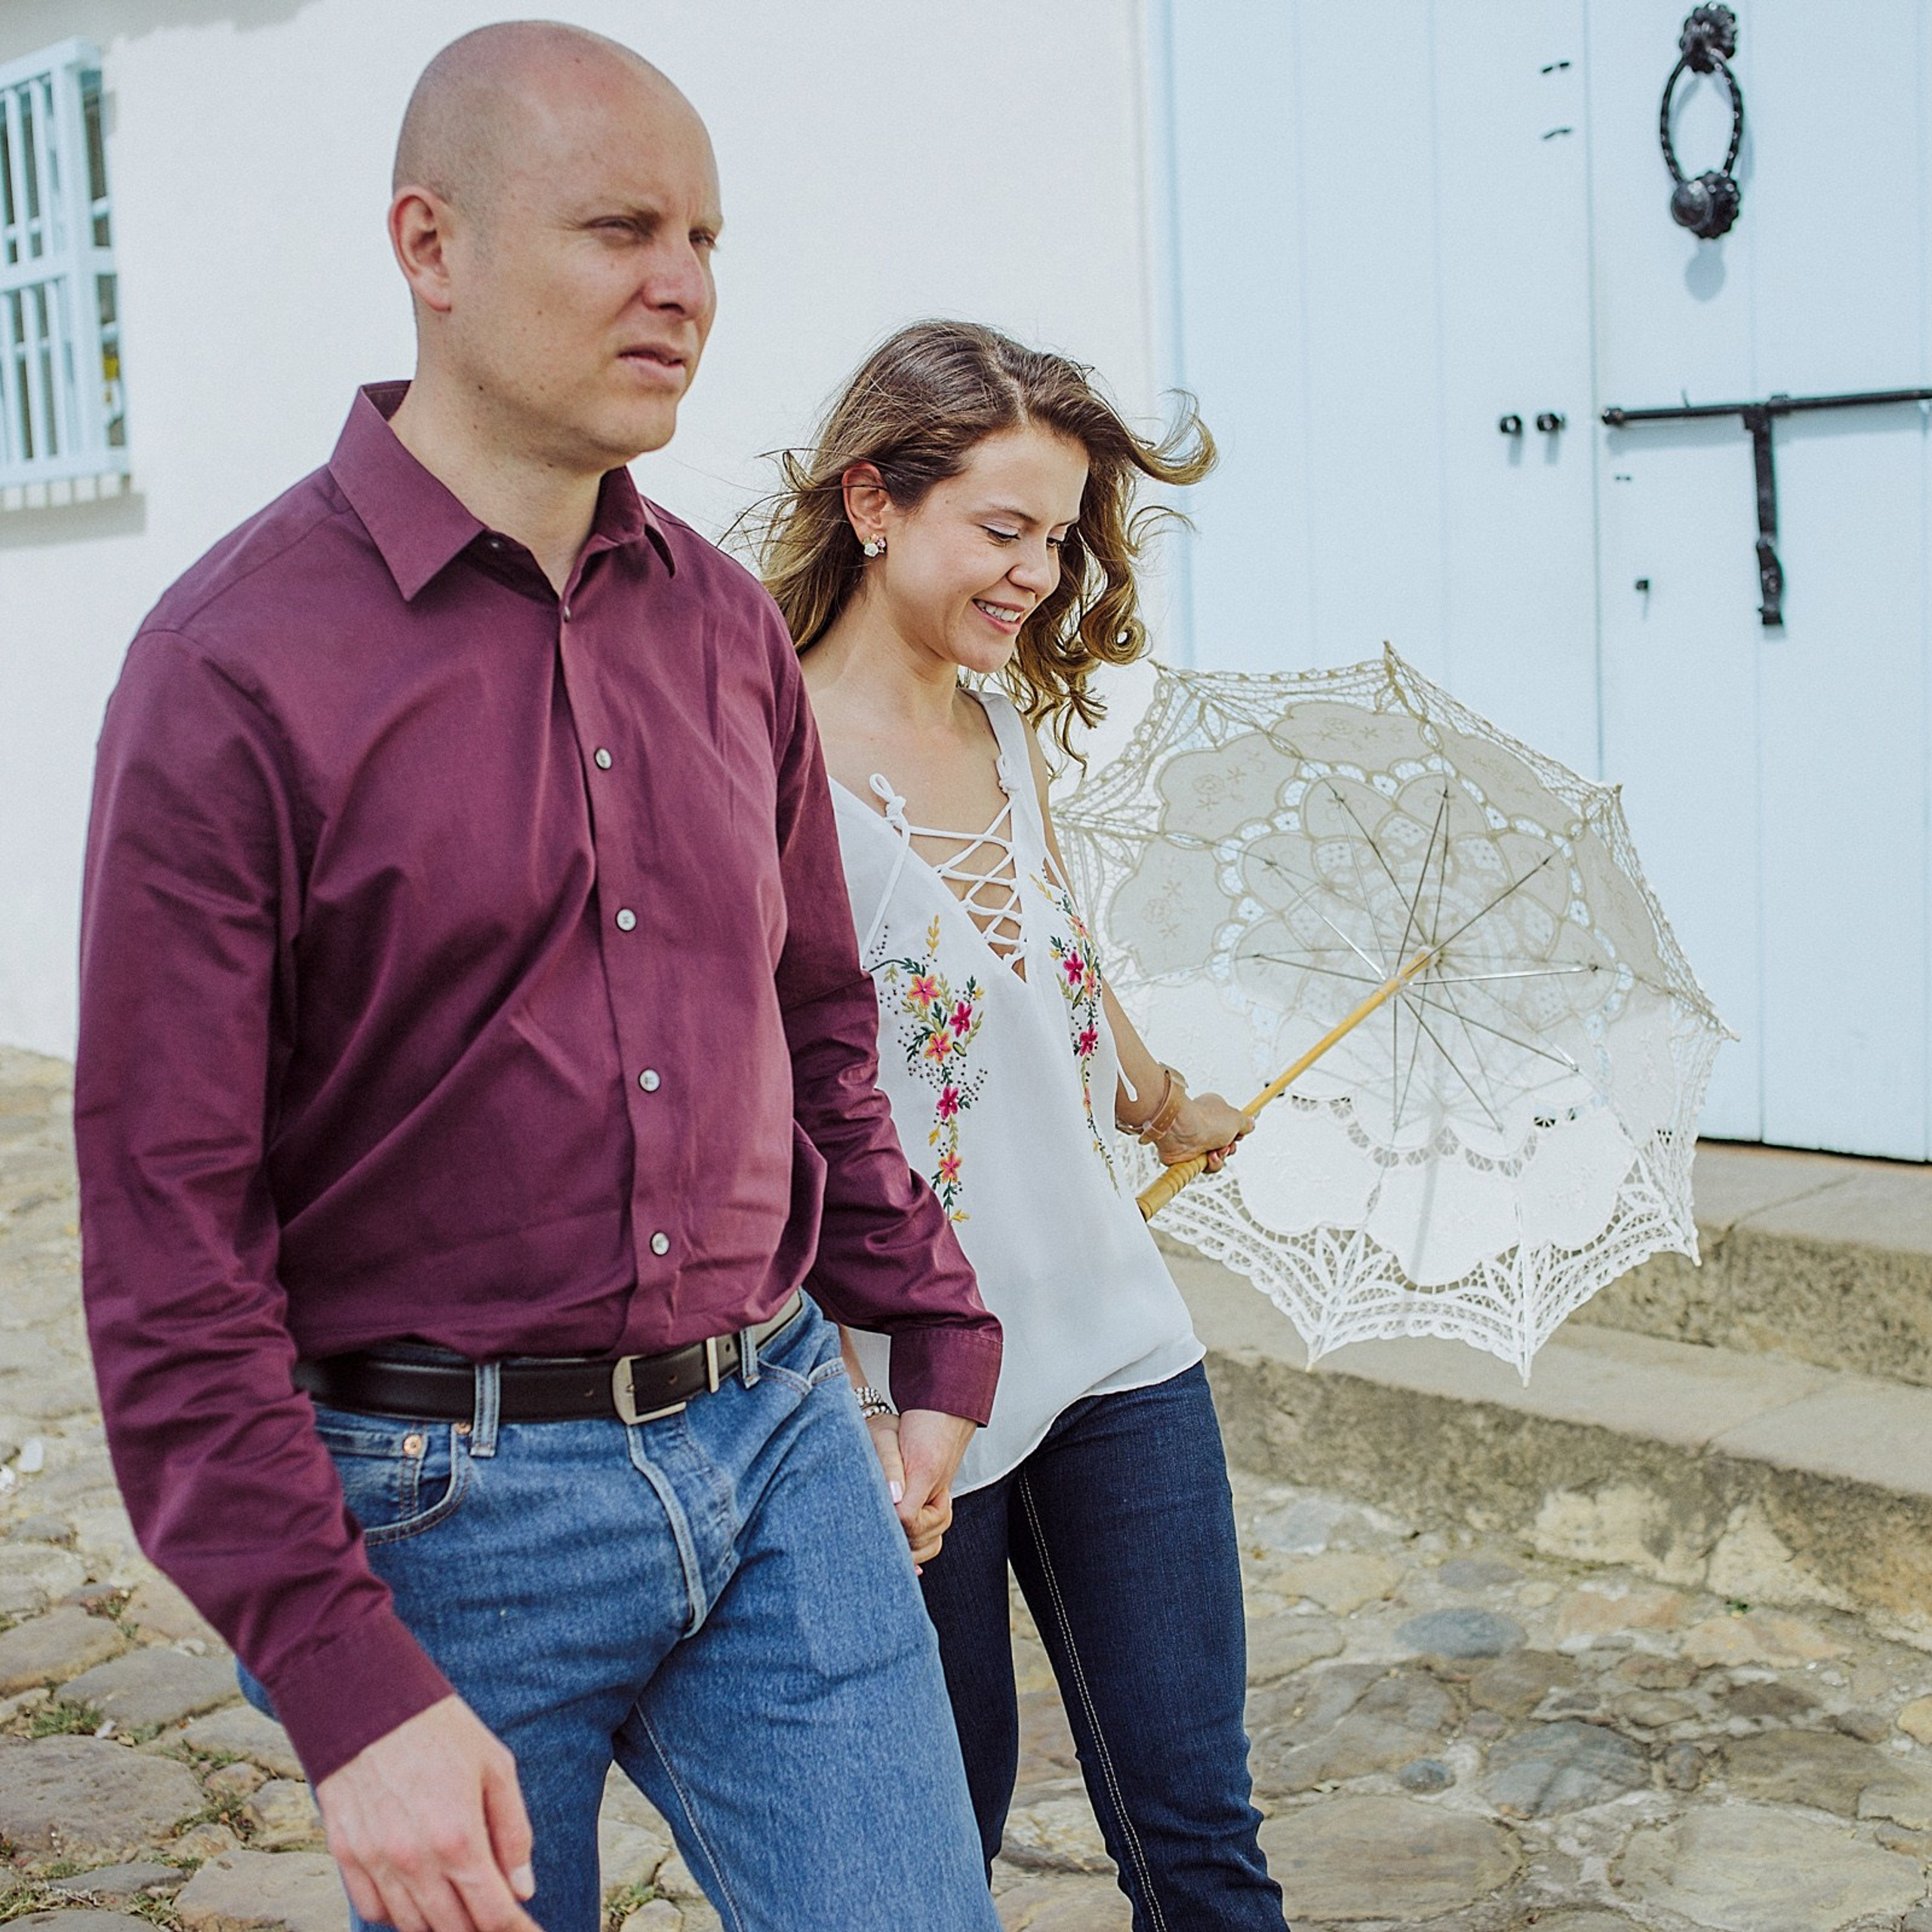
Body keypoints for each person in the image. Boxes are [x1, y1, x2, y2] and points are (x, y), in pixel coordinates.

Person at [74, 29, 1004, 1932]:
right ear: (429, 241)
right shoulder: (232, 670)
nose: (684, 285)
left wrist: (925, 1321)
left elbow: (815, 1021)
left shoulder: (733, 630)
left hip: (774, 1452)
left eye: (705, 237)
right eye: (617, 229)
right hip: (443, 1510)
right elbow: (168, 1242)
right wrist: (346, 1695)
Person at [761, 319, 1291, 1929]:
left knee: (1198, 1834)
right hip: (906, 1388)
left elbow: (1043, 953)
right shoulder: (757, 754)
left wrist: (1150, 1091)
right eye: (1003, 530)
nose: (1038, 575)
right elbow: (753, 1086)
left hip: (1118, 1343)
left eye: (1057, 537)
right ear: (871, 499)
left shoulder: (1002, 724)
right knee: (937, 1854)